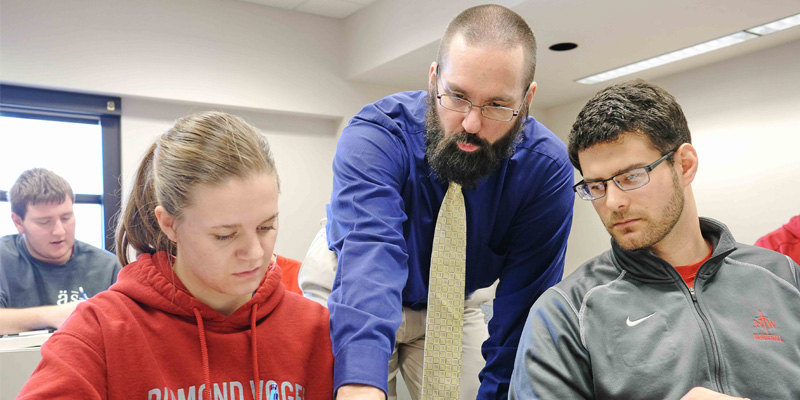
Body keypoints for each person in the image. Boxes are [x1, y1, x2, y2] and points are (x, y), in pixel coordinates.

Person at [304, 5, 574, 399]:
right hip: (351, 286)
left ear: (527, 98)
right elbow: (370, 260)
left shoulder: (545, 171)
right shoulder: (376, 137)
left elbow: (522, 313)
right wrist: (360, 384)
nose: (471, 123)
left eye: (497, 105)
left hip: (453, 302)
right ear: (433, 80)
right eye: (458, 96)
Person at [509, 79, 800, 399]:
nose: (613, 202)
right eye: (596, 186)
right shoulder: (566, 313)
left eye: (631, 176)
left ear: (685, 165)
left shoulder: (783, 277)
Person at [18, 112, 334, 399]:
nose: (254, 253)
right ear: (169, 224)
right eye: (225, 235)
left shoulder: (317, 330)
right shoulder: (101, 331)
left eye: (266, 227)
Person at [0, 168, 121, 334]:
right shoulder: (3, 258)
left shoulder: (108, 267)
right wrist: (51, 316)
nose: (59, 231)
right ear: (18, 222)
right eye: (44, 222)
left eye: (66, 218)